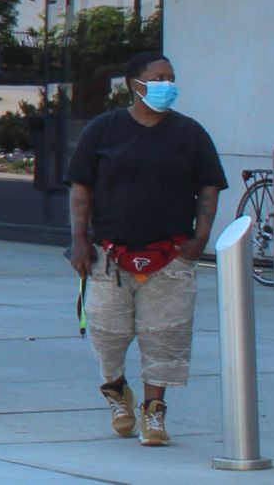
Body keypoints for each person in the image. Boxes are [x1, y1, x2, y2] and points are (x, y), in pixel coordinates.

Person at [66, 52, 225, 447]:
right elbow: (81, 188)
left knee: (165, 337)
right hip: (110, 256)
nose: (167, 84)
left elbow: (209, 186)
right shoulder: (103, 130)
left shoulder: (190, 133)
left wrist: (200, 238)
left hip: (170, 256)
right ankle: (117, 392)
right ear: (134, 85)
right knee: (107, 332)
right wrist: (79, 241)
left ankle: (154, 412)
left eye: (171, 76)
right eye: (158, 77)